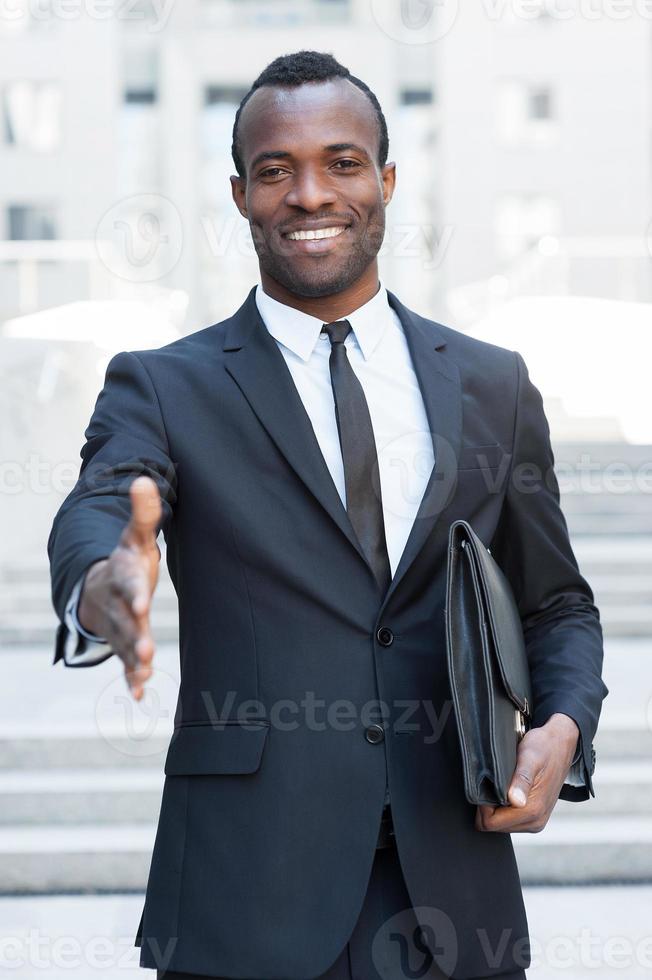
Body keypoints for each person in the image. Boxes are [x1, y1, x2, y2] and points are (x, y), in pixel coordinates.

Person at [48, 50, 608, 980]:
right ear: (239, 195)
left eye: (342, 163)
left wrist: (565, 726)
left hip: (454, 892)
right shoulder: (163, 383)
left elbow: (558, 606)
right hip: (244, 899)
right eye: (276, 171)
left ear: (386, 179)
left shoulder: (492, 385)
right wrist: (106, 583)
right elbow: (105, 505)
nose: (311, 195)